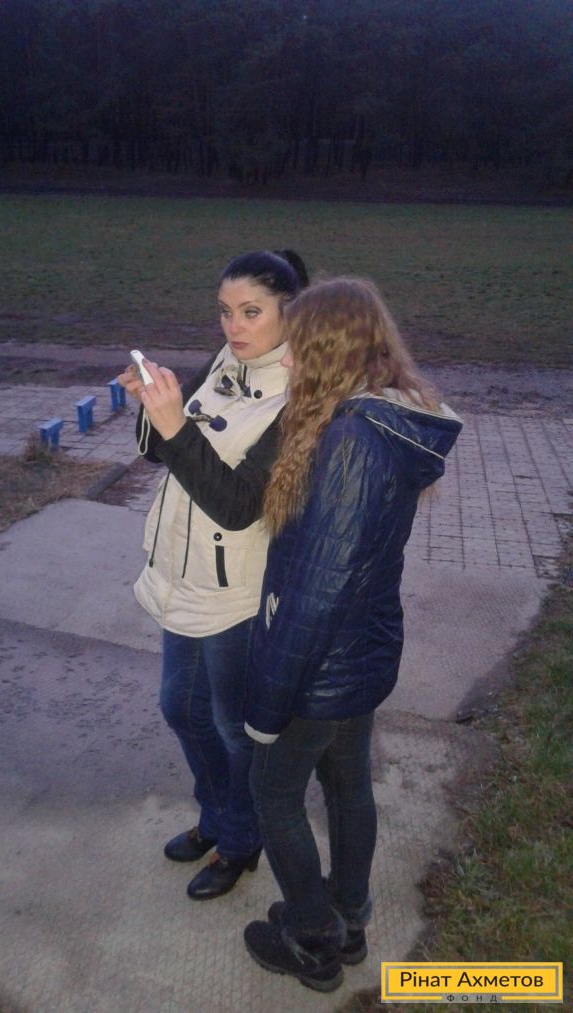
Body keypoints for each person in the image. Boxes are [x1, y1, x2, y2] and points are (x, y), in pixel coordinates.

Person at [242, 277, 462, 991]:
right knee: (346, 784)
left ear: (328, 349)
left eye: (296, 345)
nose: (286, 357)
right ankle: (350, 914)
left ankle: (314, 937)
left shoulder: (350, 442)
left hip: (324, 668)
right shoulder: (380, 423)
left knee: (272, 791)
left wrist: (268, 707)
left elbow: (315, 595)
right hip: (359, 655)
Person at [117, 250, 308, 901]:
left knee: (231, 726)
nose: (234, 326)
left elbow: (239, 503)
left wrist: (176, 424)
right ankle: (218, 814)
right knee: (180, 707)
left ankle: (240, 837)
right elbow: (160, 450)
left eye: (251, 312)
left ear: (289, 311)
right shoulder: (226, 360)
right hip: (183, 570)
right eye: (225, 311)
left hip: (235, 592)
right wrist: (153, 406)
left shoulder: (299, 395)